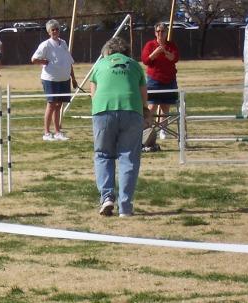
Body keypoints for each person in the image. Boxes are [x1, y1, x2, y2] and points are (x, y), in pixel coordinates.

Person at [90, 37, 147, 217]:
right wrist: (146, 112)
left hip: (103, 110)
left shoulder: (99, 65)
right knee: (129, 157)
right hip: (131, 110)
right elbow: (143, 93)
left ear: (107, 52)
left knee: (103, 155)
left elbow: (93, 93)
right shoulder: (135, 65)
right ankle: (125, 206)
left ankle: (107, 197)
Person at [31, 19, 77, 141]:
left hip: (64, 79)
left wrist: (73, 78)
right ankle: (46, 132)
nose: (55, 31)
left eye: (57, 29)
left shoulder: (63, 43)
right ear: (49, 32)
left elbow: (69, 61)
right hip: (50, 79)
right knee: (51, 104)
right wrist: (44, 61)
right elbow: (34, 59)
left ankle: (58, 131)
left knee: (59, 105)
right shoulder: (45, 44)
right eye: (53, 29)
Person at [141, 22, 179, 147]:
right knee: (152, 107)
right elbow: (145, 60)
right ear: (155, 32)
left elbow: (175, 58)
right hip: (154, 80)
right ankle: (150, 131)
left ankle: (164, 130)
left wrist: (166, 52)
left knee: (165, 107)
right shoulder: (150, 45)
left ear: (166, 32)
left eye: (162, 31)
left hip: (169, 80)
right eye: (158, 31)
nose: (160, 34)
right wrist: (155, 53)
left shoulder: (171, 45)